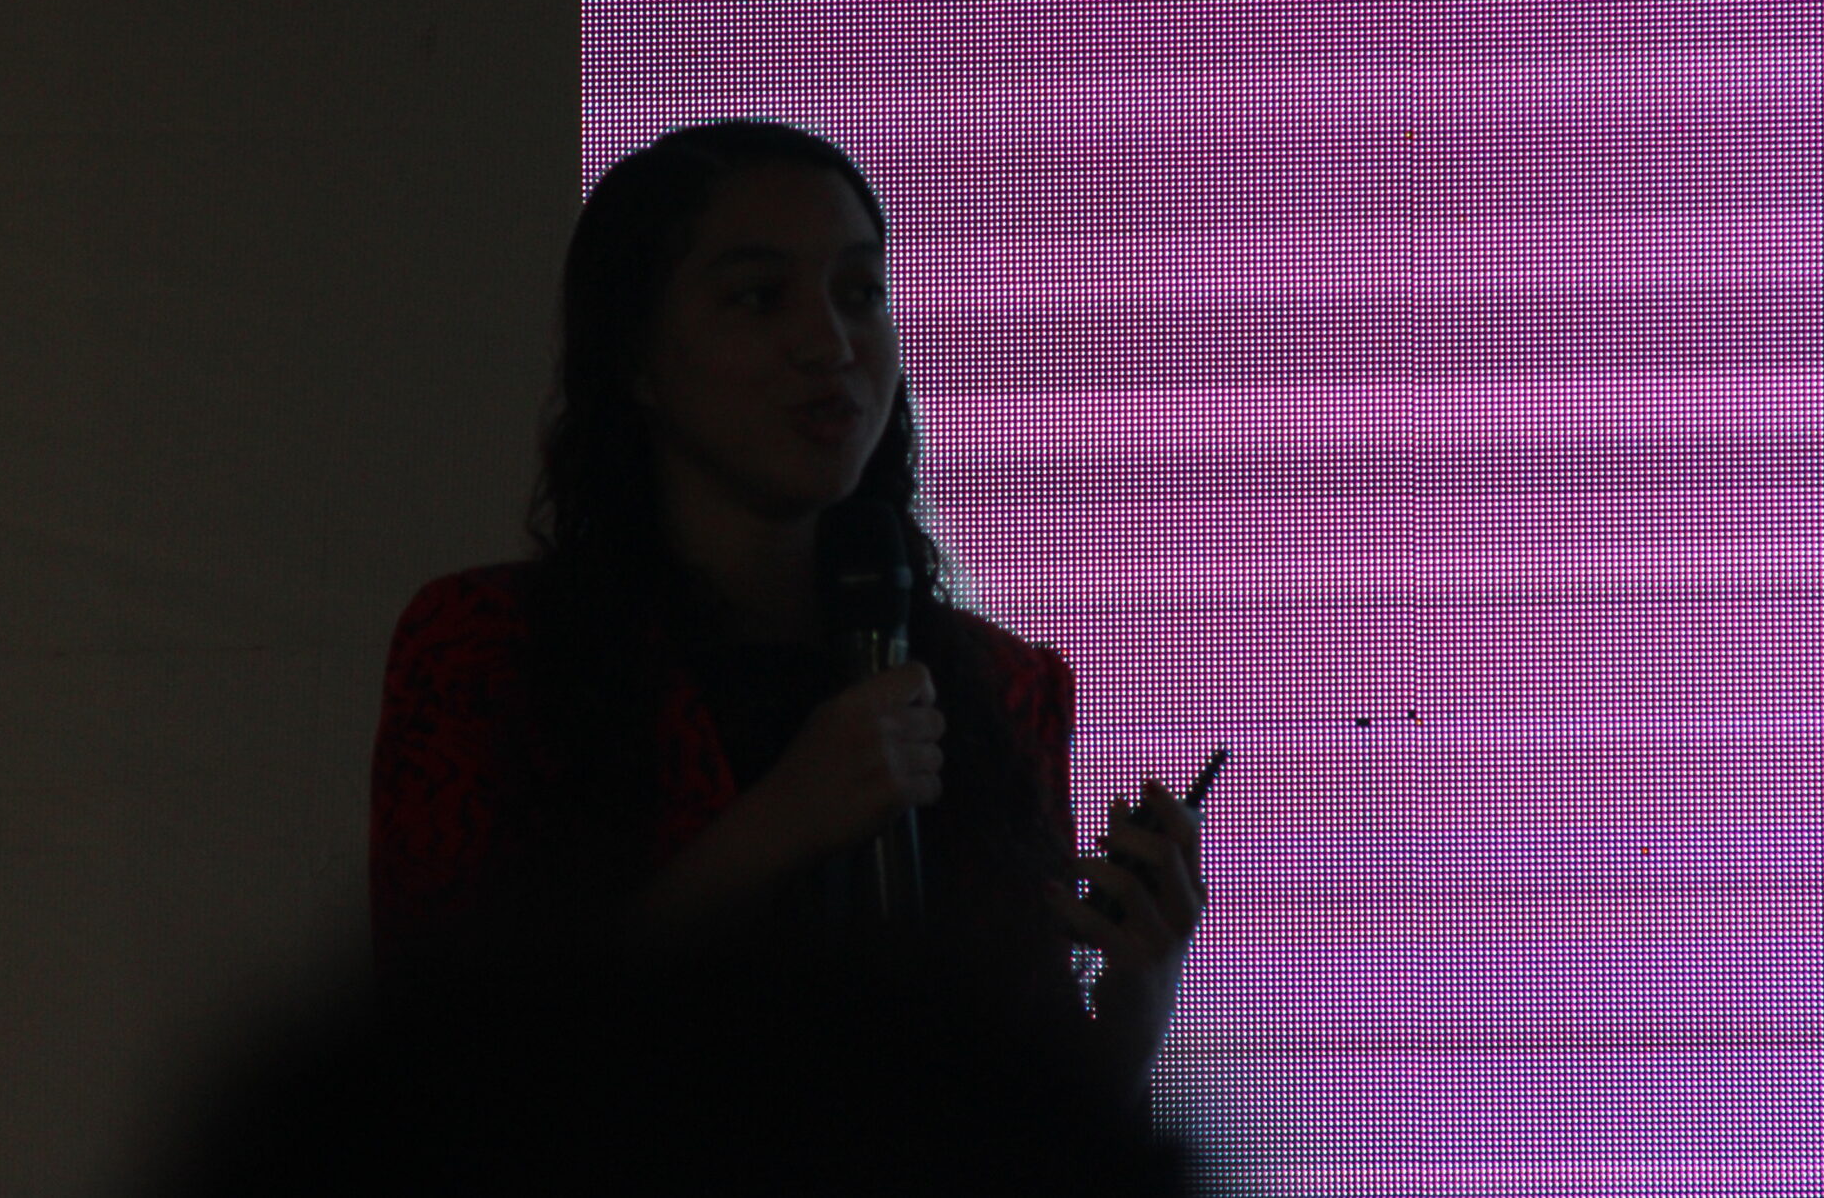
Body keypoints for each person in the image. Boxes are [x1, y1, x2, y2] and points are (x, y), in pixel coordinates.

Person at [366, 118, 1209, 1130]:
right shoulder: (488, 647)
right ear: (634, 358)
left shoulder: (996, 685)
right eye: (759, 297)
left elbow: (1025, 1144)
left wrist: (1137, 996)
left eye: (859, 293)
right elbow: (438, 1072)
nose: (829, 343)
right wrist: (774, 829)